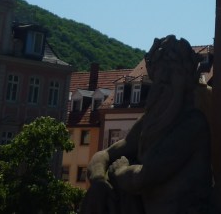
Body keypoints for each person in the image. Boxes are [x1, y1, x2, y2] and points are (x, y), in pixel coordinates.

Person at [80, 36, 211, 214]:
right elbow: (105, 154)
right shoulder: (150, 121)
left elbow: (144, 177)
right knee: (98, 193)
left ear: (188, 79)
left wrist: (119, 170)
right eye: (160, 70)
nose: (164, 78)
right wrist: (98, 179)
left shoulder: (193, 124)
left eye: (173, 71)